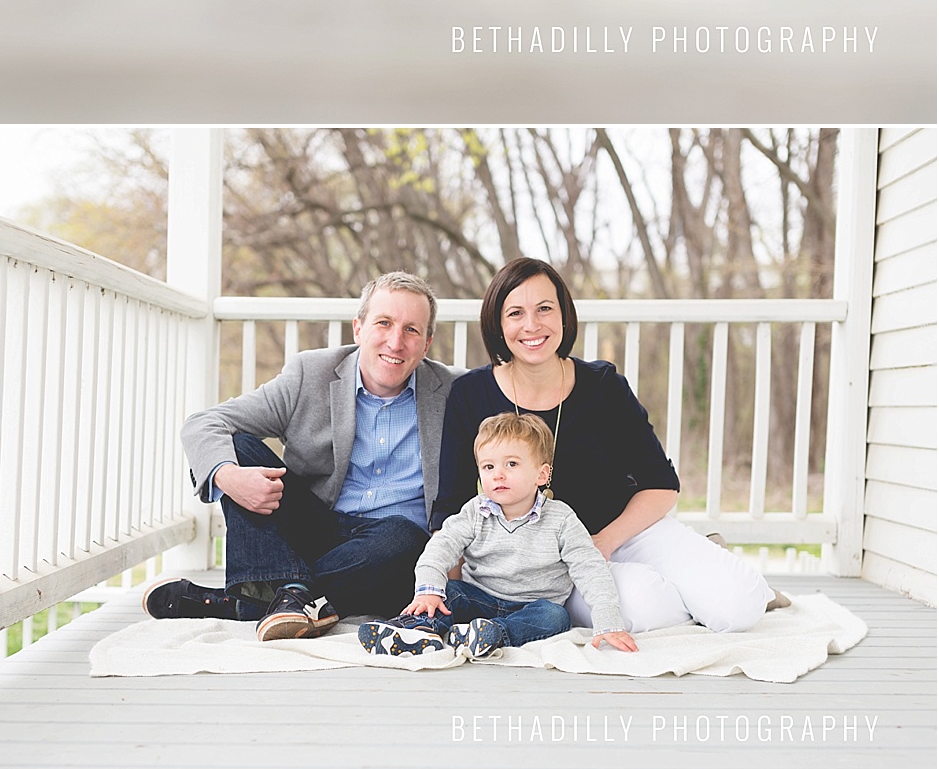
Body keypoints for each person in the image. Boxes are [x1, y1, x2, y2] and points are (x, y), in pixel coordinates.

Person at [434, 258, 773, 639]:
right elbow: (451, 507)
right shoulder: (470, 394)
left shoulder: (604, 385)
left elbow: (661, 485)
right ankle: (698, 591)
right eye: (516, 313)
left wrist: (605, 541)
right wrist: (450, 593)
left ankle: (712, 575)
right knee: (644, 606)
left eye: (545, 308)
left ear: (564, 315)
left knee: (740, 605)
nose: (532, 325)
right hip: (549, 564)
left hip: (627, 531)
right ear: (498, 324)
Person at [145, 273, 455, 638]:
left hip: (386, 552)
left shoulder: (454, 393)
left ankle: (257, 598)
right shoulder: (310, 374)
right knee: (242, 449)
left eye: (412, 330)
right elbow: (205, 423)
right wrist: (228, 477)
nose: (395, 341)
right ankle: (293, 595)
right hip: (315, 530)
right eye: (383, 323)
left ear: (427, 343)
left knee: (406, 537)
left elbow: (527, 433)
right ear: (358, 328)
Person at [358, 410, 624, 660]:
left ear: (541, 474)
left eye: (511, 464)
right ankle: (415, 631)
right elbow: (440, 547)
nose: (498, 475)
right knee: (449, 592)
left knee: (556, 617)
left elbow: (590, 568)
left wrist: (607, 621)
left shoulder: (561, 519)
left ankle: (490, 634)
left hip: (532, 606)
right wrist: (428, 591)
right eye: (488, 467)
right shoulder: (475, 512)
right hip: (478, 596)